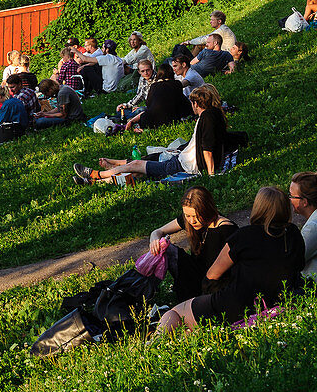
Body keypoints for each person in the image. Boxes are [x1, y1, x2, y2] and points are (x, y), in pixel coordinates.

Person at [156, 186, 305, 334]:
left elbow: (212, 275)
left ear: (258, 207)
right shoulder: (293, 234)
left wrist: (209, 296)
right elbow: (299, 265)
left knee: (175, 313)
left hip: (237, 302)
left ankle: (153, 345)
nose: (191, 220)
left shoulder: (244, 235)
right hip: (277, 299)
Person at [73, 85, 226, 184]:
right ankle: (94, 182)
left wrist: (211, 176)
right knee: (136, 172)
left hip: (181, 165)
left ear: (196, 104)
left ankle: (96, 175)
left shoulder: (207, 118)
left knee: (135, 164)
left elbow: (208, 148)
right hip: (180, 160)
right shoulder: (210, 116)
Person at [148, 186, 238, 301]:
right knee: (165, 248)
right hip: (197, 274)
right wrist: (154, 237)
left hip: (215, 285)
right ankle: (147, 293)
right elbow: (159, 231)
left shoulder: (225, 229)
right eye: (187, 216)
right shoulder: (193, 220)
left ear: (206, 210)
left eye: (195, 216)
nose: (191, 221)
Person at [126, 63, 192, 131]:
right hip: (171, 118)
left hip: (151, 120)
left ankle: (130, 121)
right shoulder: (176, 84)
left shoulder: (154, 86)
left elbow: (148, 104)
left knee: (140, 112)